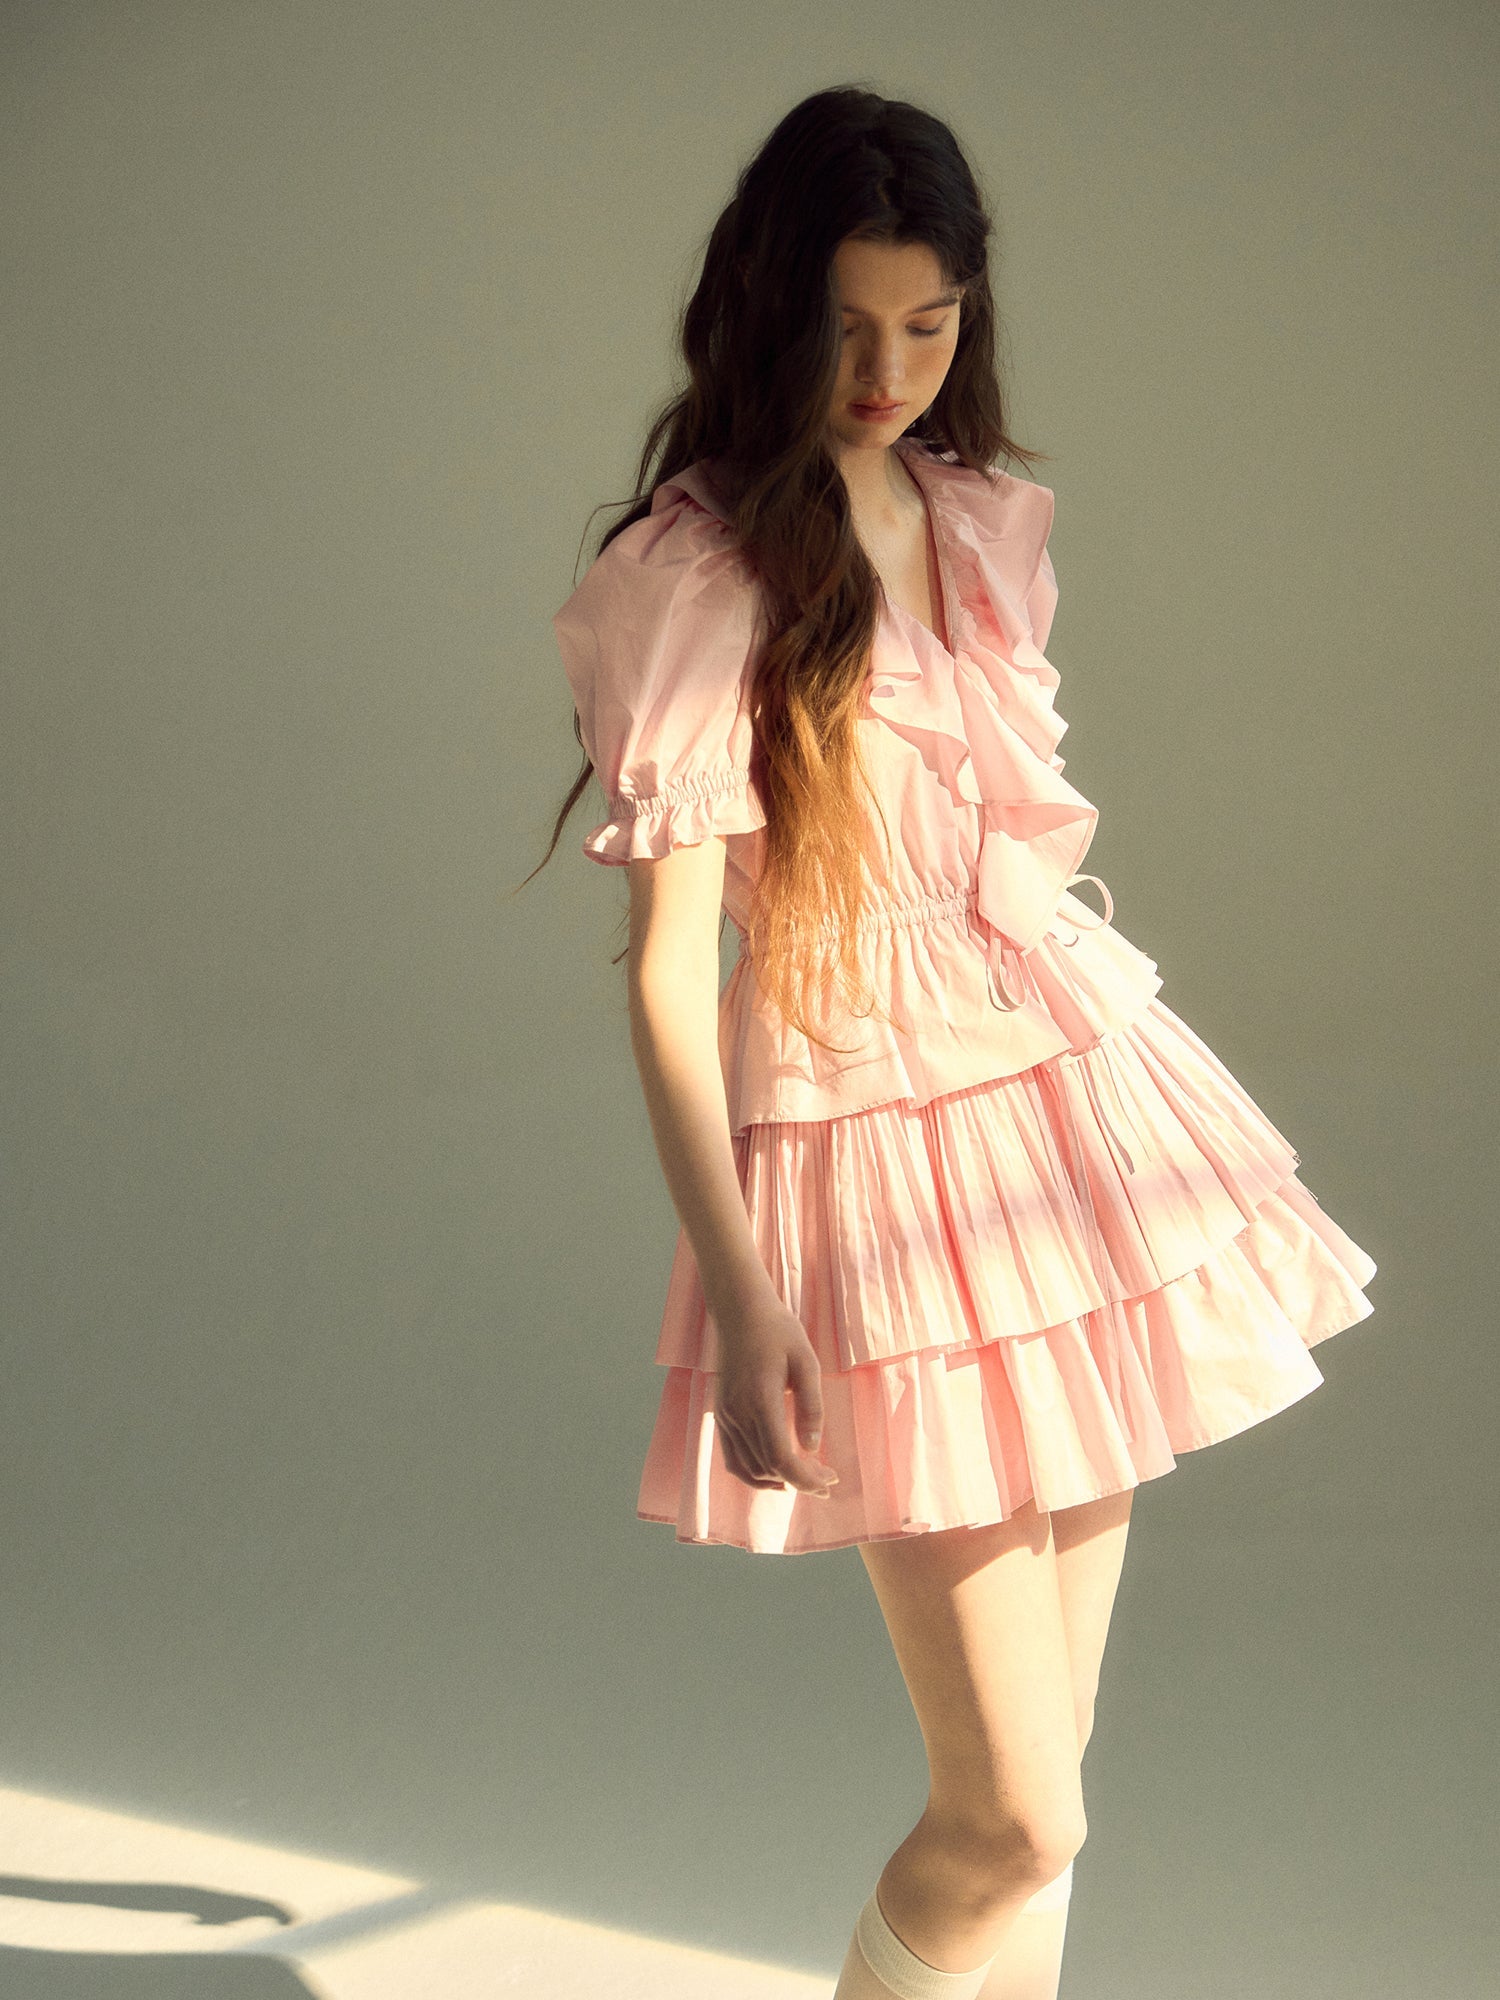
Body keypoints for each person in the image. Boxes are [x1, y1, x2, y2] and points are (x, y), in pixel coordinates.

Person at [529, 85, 1378, 2000]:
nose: (889, 372)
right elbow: (666, 975)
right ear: (771, 308)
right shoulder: (695, 575)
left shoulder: (975, 519)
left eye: (929, 325)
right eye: (848, 326)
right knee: (1017, 1817)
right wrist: (743, 1285)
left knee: (1053, 1788)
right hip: (876, 1151)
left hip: (1063, 1117)